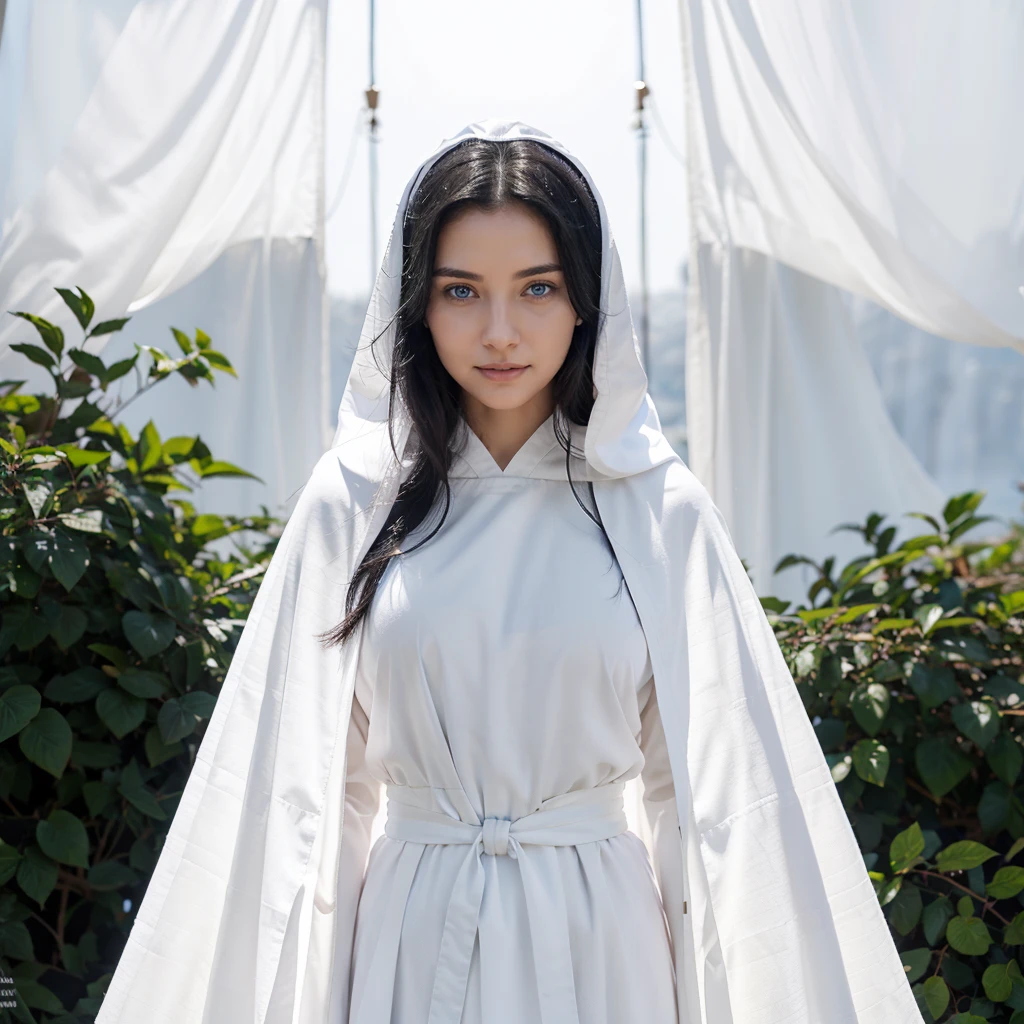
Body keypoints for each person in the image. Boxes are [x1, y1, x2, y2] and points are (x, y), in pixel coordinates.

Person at [96, 120, 924, 1024]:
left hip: (603, 940)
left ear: (587, 302)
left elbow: (712, 803)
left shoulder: (658, 509)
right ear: (417, 304)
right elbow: (304, 801)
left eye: (538, 288)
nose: (500, 332)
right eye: (462, 291)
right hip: (411, 934)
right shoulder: (353, 500)